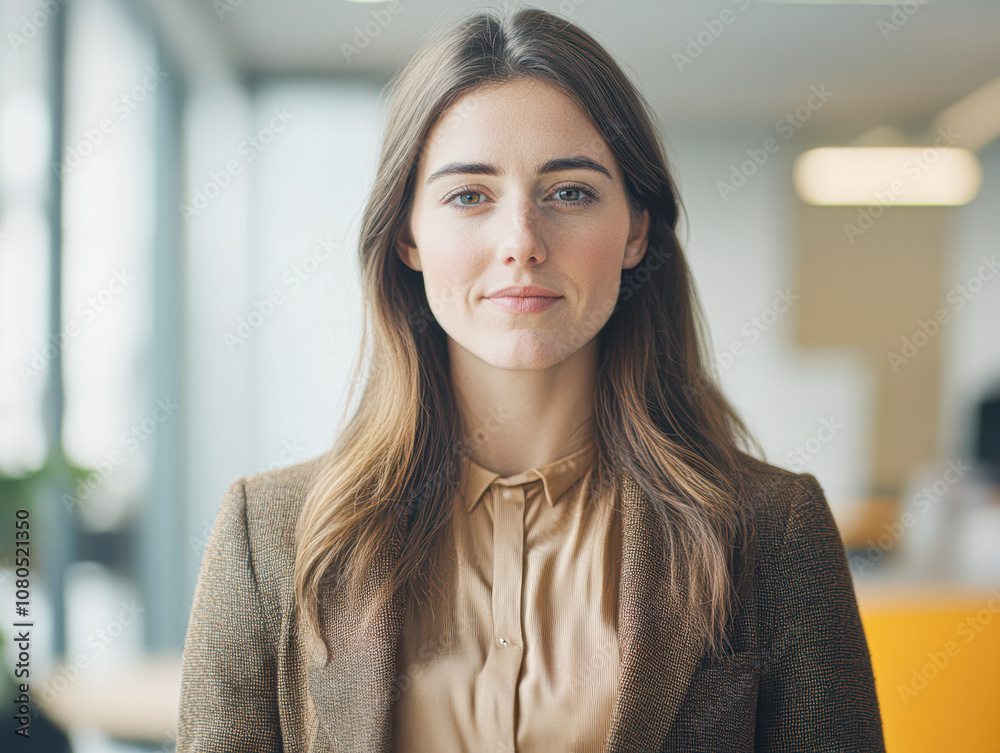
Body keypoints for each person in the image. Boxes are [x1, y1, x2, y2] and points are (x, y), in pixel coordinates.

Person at [176, 7, 886, 752]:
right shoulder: (268, 536)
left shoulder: (771, 529)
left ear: (637, 230)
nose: (521, 242)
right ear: (408, 235)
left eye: (570, 192)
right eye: (469, 196)